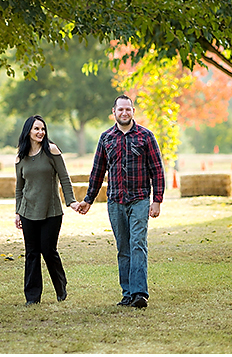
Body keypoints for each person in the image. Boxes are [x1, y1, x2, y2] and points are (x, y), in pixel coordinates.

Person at [77, 95, 165, 309]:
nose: (124, 113)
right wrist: (89, 199)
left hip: (140, 199)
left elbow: (157, 170)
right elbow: (97, 172)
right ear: (114, 112)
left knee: (138, 244)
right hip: (115, 201)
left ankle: (139, 294)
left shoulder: (146, 136)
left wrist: (157, 201)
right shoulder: (106, 138)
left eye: (128, 109)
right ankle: (127, 294)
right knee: (123, 248)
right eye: (120, 109)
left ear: (133, 111)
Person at [14, 114, 79, 306]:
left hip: (51, 211)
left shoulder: (51, 150)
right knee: (32, 253)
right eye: (36, 129)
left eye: (42, 129)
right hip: (28, 211)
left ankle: (60, 286)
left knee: (48, 250)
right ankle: (32, 297)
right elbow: (19, 187)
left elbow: (64, 178)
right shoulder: (21, 156)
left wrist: (71, 201)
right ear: (28, 131)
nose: (40, 132)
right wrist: (18, 212)